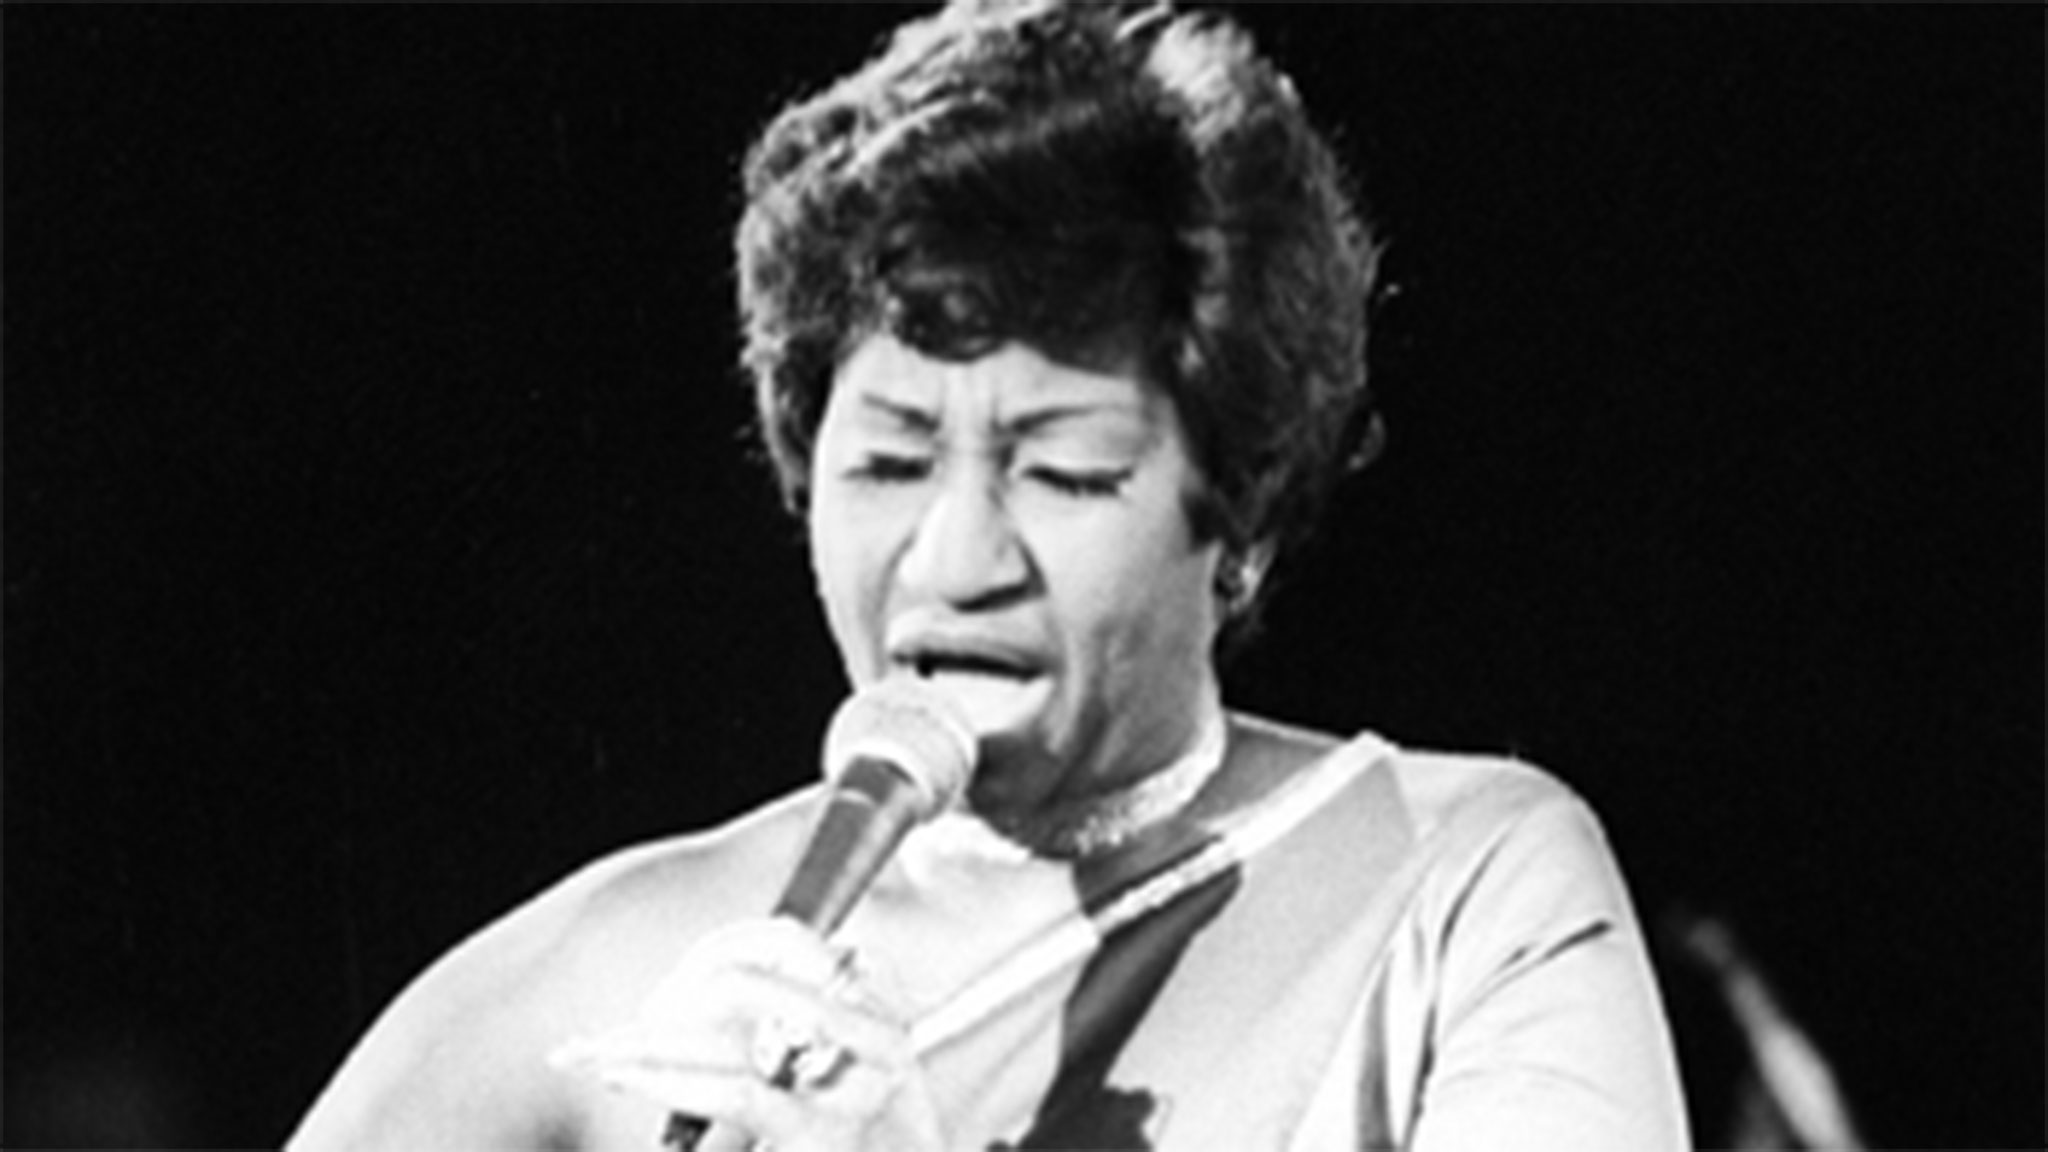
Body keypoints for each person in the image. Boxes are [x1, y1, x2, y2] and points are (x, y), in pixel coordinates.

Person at [288, 2, 1689, 1149]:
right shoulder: (604, 976)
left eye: (1065, 474)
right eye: (889, 466)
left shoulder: (1464, 883)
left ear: (1243, 510)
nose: (954, 560)